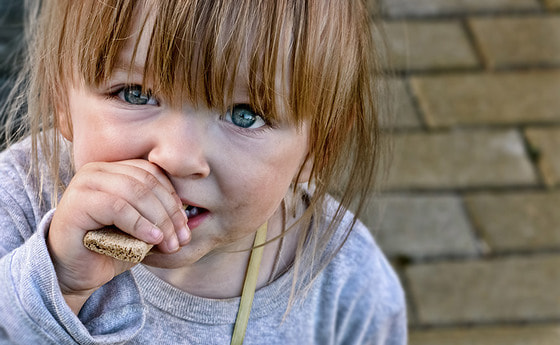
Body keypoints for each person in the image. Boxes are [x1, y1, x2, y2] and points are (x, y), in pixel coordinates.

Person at [0, 0, 406, 344]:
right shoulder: (17, 203)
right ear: (61, 101)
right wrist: (57, 282)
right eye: (135, 94)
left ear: (319, 146)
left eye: (245, 115)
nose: (176, 157)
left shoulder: (350, 287)